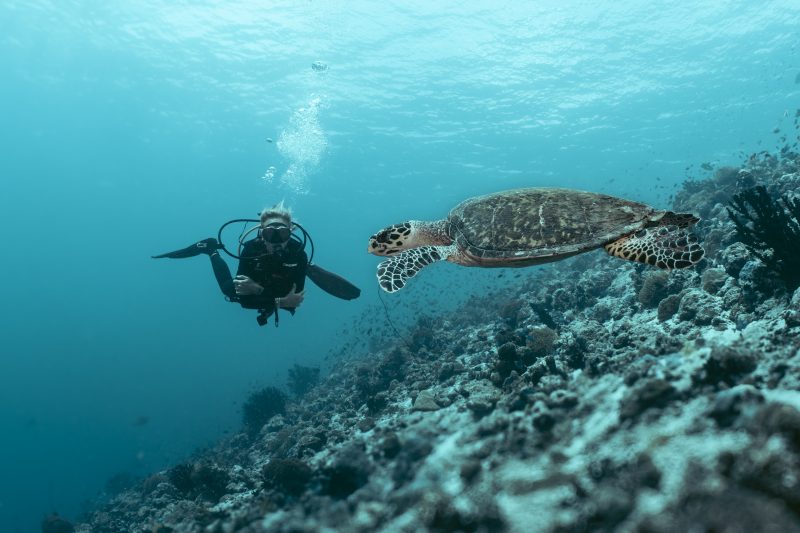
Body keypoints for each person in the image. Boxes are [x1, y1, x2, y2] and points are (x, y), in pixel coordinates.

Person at [153, 202, 308, 327]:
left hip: (265, 288)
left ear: (290, 233)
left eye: (282, 233)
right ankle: (211, 249)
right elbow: (245, 301)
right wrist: (279, 300)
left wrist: (258, 290)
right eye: (269, 234)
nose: (276, 241)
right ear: (262, 235)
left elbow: (294, 302)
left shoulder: (299, 254)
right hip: (264, 284)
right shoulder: (251, 249)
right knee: (228, 289)